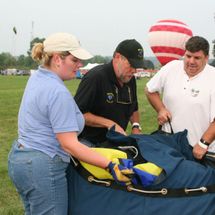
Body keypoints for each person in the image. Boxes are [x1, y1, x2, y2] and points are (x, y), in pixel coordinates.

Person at [8, 33, 133, 215]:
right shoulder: (57, 92)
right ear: (58, 59)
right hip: (43, 166)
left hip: (20, 158)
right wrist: (110, 165)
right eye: (74, 60)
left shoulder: (37, 77)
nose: (79, 65)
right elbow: (70, 144)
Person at [145, 36, 215, 160]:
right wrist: (161, 109)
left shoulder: (213, 77)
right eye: (188, 56)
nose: (191, 61)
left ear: (206, 58)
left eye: (197, 58)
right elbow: (150, 90)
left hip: (200, 151)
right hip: (169, 145)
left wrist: (203, 143)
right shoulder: (171, 68)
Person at [74, 39, 144, 145]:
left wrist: (135, 126)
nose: (134, 70)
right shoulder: (95, 77)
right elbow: (77, 114)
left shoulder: (130, 79)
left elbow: (134, 107)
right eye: (131, 65)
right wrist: (109, 124)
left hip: (116, 141)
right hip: (90, 142)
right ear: (117, 57)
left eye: (136, 66)